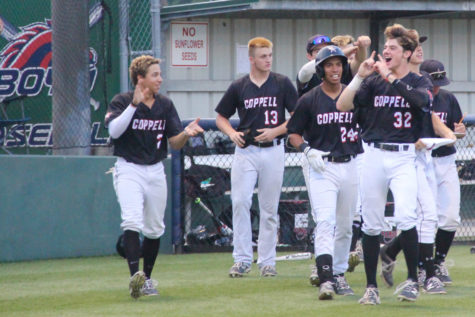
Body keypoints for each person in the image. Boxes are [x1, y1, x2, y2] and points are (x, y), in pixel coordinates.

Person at [337, 24, 432, 304]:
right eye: (386, 47)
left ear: (407, 54)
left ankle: (413, 281)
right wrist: (359, 78)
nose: (386, 51)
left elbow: (419, 102)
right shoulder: (374, 81)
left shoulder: (418, 80)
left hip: (404, 155)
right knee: (371, 222)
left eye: (392, 48)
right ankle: (370, 287)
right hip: (374, 153)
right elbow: (343, 105)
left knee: (406, 216)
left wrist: (390, 77)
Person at [105, 55, 203, 299]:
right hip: (129, 168)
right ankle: (134, 278)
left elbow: (175, 142)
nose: (160, 79)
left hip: (155, 169)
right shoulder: (122, 101)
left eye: (160, 74)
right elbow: (114, 131)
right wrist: (133, 106)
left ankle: (146, 280)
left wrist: (186, 134)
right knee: (131, 221)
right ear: (141, 79)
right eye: (155, 75)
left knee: (154, 228)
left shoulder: (165, 105)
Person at [215, 37, 297, 278]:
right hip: (246, 151)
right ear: (251, 59)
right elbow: (221, 116)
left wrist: (276, 130)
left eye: (270, 55)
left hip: (274, 148)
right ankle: (241, 259)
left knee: (269, 208)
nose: (268, 60)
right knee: (240, 202)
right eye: (263, 56)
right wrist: (231, 133)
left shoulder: (281, 83)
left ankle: (267, 261)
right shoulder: (240, 86)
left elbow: (296, 115)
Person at [379, 32, 454, 295]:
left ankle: (399, 257)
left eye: (420, 44)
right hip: (399, 154)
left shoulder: (419, 79)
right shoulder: (392, 77)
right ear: (405, 52)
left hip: (422, 155)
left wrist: (446, 133)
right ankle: (425, 272)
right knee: (421, 215)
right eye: (414, 44)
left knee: (424, 215)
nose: (420, 48)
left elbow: (429, 113)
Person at [288, 45, 362, 300]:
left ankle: (339, 274)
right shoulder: (309, 99)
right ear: (320, 69)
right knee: (325, 222)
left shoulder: (353, 96)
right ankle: (326, 278)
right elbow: (293, 133)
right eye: (329, 64)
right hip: (322, 166)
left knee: (345, 226)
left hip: (350, 163)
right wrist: (307, 150)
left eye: (338, 64)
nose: (335, 69)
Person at [421, 59, 466, 285]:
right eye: (433, 82)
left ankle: (439, 261)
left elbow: (458, 128)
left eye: (439, 82)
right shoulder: (416, 97)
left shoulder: (447, 98)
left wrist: (460, 130)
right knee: (424, 217)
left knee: (450, 217)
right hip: (424, 160)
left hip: (446, 159)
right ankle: (422, 266)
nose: (436, 87)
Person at [297, 33, 371, 97]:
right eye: (318, 51)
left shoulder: (341, 70)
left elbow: (359, 61)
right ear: (309, 56)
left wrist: (362, 47)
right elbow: (305, 71)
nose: (324, 54)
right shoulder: (307, 75)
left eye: (327, 49)